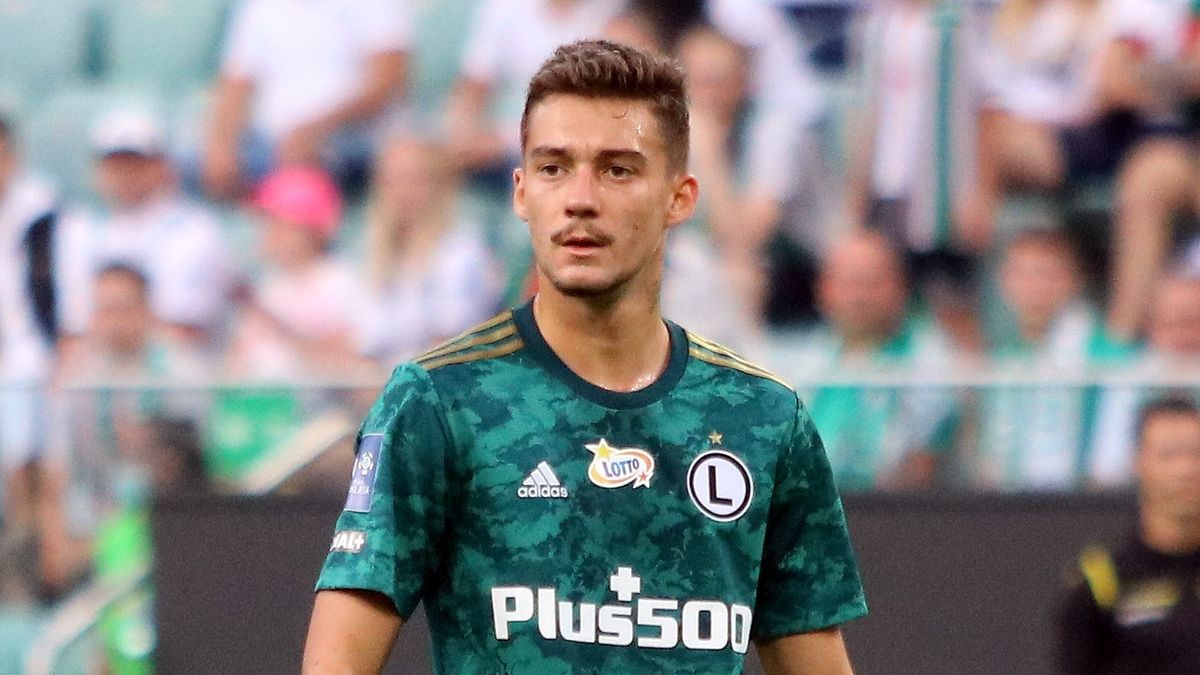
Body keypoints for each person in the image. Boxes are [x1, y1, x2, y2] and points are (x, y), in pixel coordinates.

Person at [303, 40, 866, 673]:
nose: (580, 198)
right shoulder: (437, 401)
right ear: (521, 193)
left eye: (617, 170)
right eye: (553, 168)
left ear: (680, 198)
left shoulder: (763, 418)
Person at [777, 230, 959, 491]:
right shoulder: (802, 359)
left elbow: (923, 463)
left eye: (872, 282)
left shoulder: (929, 358)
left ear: (900, 286)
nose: (860, 296)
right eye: (849, 283)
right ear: (824, 288)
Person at [199, 0, 411, 199]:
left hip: (352, 138)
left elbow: (386, 85)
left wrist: (314, 131)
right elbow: (235, 87)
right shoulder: (260, 7)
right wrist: (221, 146)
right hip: (272, 143)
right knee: (191, 166)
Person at [1055, 395, 1200, 674]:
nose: (1186, 470)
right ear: (1138, 462)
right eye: (1169, 454)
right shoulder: (1101, 581)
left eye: (1196, 453)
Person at [354, 135, 503, 366]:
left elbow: (454, 339)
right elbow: (362, 340)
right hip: (376, 377)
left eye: (412, 179)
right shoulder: (374, 254)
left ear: (438, 184)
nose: (401, 192)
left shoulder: (461, 250)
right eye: (391, 181)